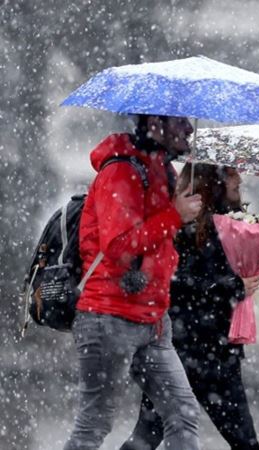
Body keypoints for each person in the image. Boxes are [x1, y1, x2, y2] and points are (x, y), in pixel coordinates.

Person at [64, 115, 203, 450]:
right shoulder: (122, 171)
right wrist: (174, 216)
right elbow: (118, 246)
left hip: (153, 319)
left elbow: (160, 243)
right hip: (108, 316)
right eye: (179, 121)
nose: (189, 128)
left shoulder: (162, 172)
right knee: (94, 424)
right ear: (155, 123)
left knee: (183, 415)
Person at [121, 163, 259, 450]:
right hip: (184, 351)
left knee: (243, 442)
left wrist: (255, 267)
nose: (239, 177)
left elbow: (222, 281)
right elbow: (176, 285)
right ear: (212, 182)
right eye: (231, 172)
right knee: (147, 437)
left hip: (213, 352)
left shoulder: (233, 227)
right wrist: (232, 286)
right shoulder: (180, 229)